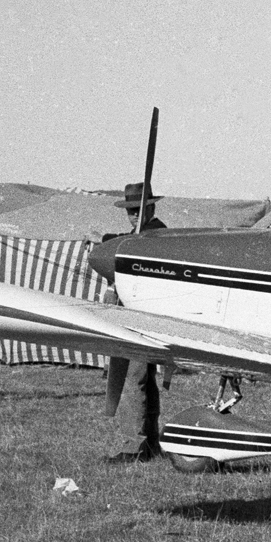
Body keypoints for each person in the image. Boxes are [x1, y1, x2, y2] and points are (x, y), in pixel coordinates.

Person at [103, 182, 168, 463]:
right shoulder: (138, 234)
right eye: (130, 211)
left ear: (151, 207)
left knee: (132, 379)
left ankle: (133, 447)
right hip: (140, 315)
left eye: (137, 210)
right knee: (145, 379)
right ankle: (150, 442)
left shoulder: (157, 236)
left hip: (142, 316)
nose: (132, 216)